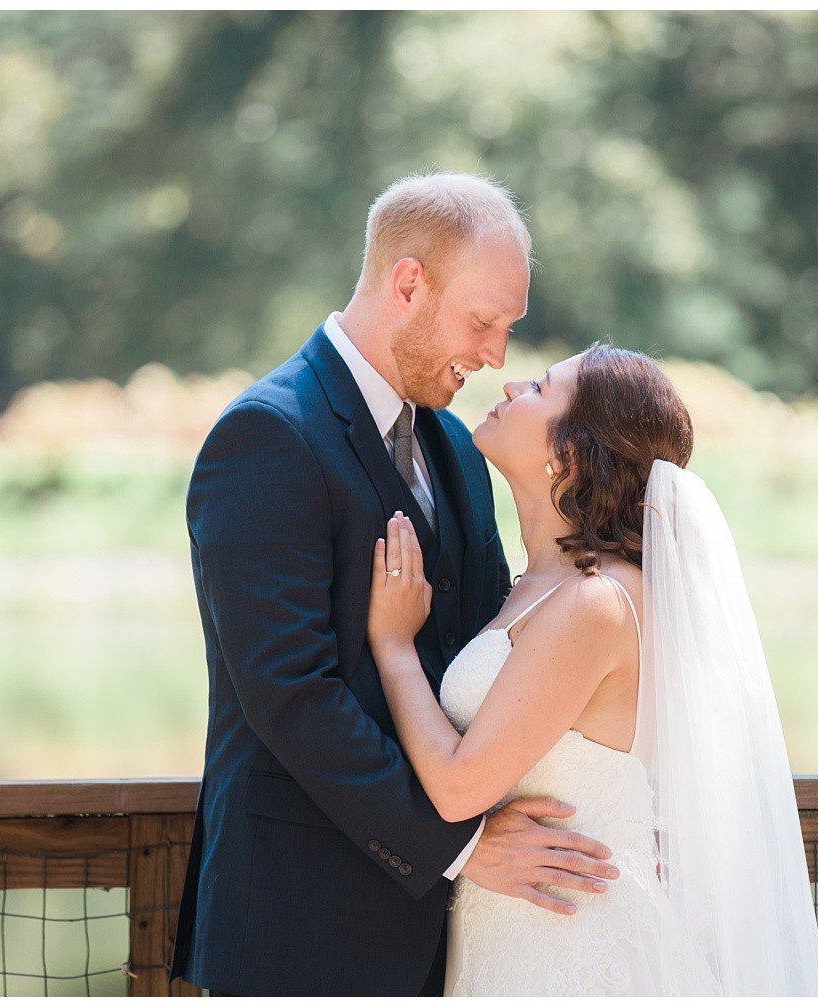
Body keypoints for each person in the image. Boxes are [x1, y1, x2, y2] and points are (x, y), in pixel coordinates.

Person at [168, 173, 617, 996]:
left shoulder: (454, 444)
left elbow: (492, 660)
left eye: (507, 330)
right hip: (299, 923)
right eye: (484, 321)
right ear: (408, 283)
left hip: (456, 939)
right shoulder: (268, 435)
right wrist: (467, 848)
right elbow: (289, 696)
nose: (495, 356)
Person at [367, 344, 818, 995]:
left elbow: (457, 785)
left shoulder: (597, 601)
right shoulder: (531, 586)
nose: (511, 384)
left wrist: (392, 647)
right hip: (518, 932)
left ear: (570, 453)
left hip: (575, 946)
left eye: (539, 387)